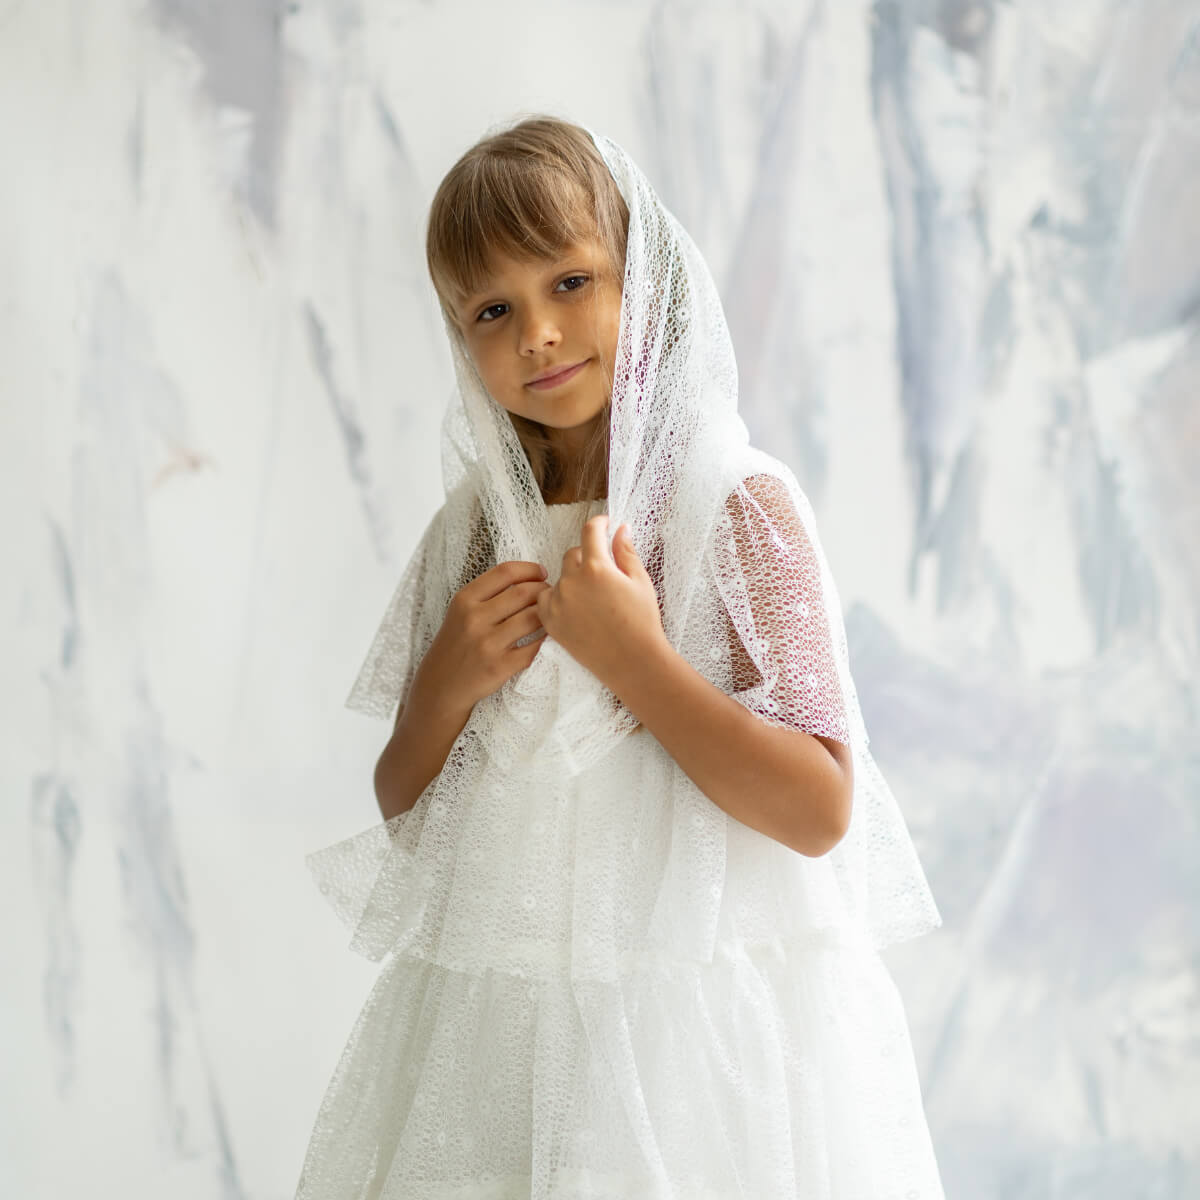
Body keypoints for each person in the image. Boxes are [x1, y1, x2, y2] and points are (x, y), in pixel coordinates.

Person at [295, 115, 946, 1200]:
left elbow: (821, 809)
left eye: (570, 281)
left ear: (643, 279)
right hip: (498, 1034)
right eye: (492, 310)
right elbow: (408, 803)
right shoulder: (475, 532)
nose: (537, 334)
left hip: (696, 1037)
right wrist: (445, 684)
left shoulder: (737, 508)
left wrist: (637, 659)